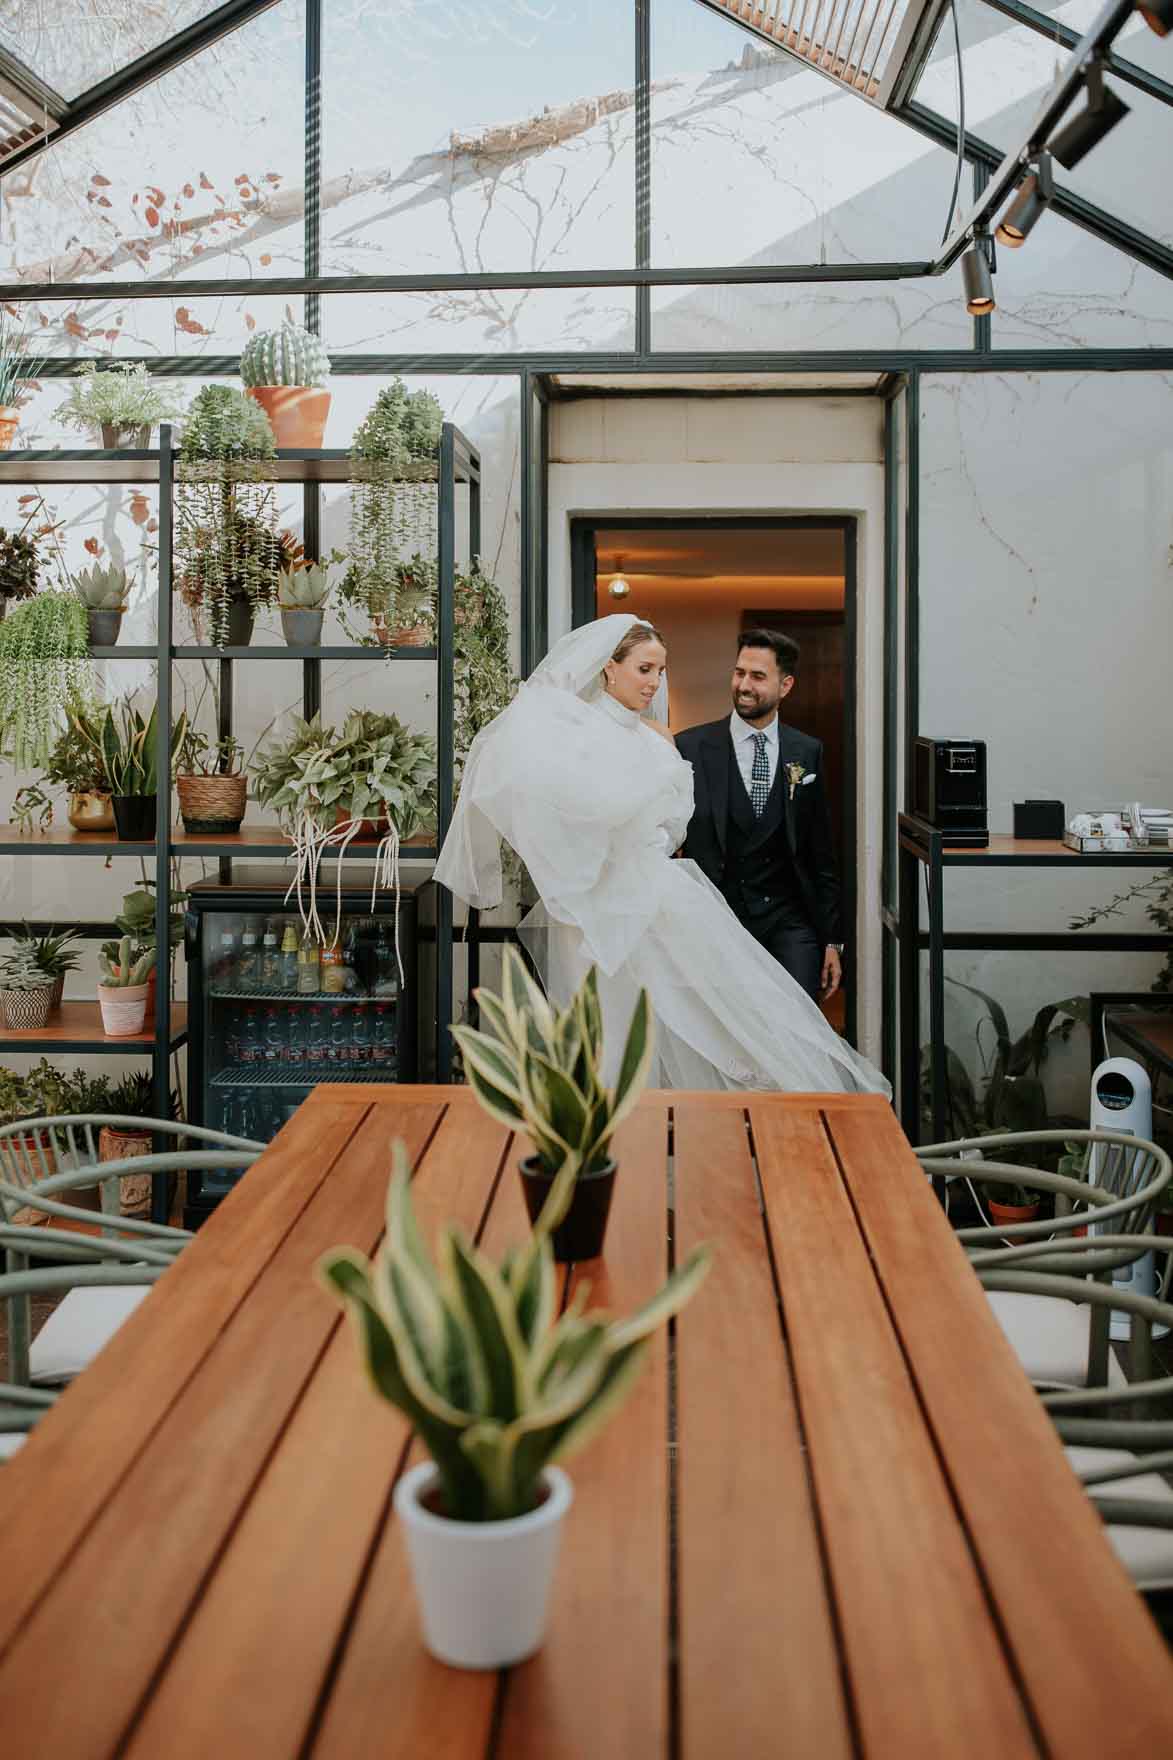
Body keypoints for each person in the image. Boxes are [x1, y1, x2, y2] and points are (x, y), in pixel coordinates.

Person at [434, 614, 888, 1097]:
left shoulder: (662, 739)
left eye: (661, 671)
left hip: (668, 898)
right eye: (645, 669)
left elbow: (682, 830)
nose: (655, 682)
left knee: (731, 1028)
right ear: (610, 668)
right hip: (604, 910)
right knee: (619, 1036)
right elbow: (546, 818)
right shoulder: (576, 737)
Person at [676, 628, 842, 1004]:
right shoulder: (690, 747)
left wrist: (832, 940)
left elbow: (821, 853)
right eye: (739, 673)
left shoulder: (808, 751)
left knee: (798, 1027)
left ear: (786, 685)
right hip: (717, 921)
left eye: (757, 676)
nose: (743, 685)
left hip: (789, 922)